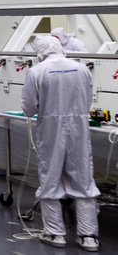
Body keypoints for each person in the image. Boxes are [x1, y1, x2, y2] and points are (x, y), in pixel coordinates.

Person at [22, 36, 100, 251]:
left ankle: (55, 233)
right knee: (83, 178)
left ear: (39, 51)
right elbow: (88, 98)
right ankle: (88, 236)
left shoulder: (37, 71)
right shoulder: (81, 68)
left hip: (50, 129)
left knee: (51, 178)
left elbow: (29, 106)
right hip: (78, 127)